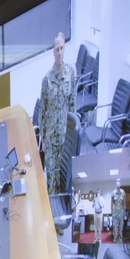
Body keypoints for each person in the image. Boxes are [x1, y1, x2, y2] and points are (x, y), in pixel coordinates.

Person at [39, 32, 77, 195]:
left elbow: (72, 104)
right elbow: (42, 110)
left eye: (61, 48)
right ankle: (52, 214)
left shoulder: (71, 73)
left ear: (64, 48)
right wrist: (42, 137)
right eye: (56, 49)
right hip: (51, 136)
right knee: (52, 179)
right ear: (53, 51)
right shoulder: (47, 79)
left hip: (65, 136)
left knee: (65, 178)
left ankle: (63, 213)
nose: (59, 52)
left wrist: (73, 136)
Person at [111, 178, 127, 244]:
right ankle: (115, 240)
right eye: (117, 181)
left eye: (119, 181)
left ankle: (120, 240)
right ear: (116, 183)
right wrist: (111, 211)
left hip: (121, 213)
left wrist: (124, 210)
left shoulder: (123, 192)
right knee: (115, 228)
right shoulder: (113, 192)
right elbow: (111, 202)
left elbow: (125, 202)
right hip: (115, 213)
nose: (118, 182)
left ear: (120, 183)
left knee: (121, 228)